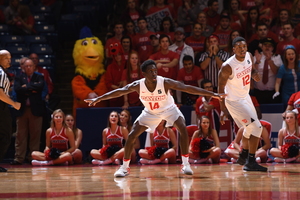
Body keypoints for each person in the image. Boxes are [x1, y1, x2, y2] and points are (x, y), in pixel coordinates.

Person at [85, 59, 224, 177]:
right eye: (150, 71)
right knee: (133, 134)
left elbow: (188, 88)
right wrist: (99, 98)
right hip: (150, 112)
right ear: (144, 74)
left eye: (155, 70)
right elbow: (119, 92)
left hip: (169, 110)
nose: (154, 73)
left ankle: (185, 164)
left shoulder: (164, 82)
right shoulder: (137, 85)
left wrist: (213, 94)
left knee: (182, 127)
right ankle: (125, 167)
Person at [218, 36, 267, 171]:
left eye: (244, 47)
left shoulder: (249, 56)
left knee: (250, 128)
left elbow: (251, 68)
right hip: (234, 101)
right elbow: (220, 89)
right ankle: (250, 161)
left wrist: (255, 73)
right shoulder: (227, 66)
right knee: (257, 128)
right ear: (233, 50)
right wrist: (222, 109)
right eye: (239, 47)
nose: (242, 49)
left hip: (245, 97)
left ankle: (243, 155)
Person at [11, 58, 45, 165]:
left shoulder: (39, 76)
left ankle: (32, 157)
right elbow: (17, 89)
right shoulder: (19, 77)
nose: (28, 68)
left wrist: (26, 87)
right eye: (26, 66)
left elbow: (39, 87)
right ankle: (19, 158)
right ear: (23, 68)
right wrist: (31, 90)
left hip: (36, 109)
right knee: (20, 135)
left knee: (35, 135)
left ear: (34, 67)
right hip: (22, 110)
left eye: (30, 66)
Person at [0, 50, 21, 172]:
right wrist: (14, 104)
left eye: (10, 58)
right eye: (6, 58)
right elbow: (0, 94)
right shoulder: (1, 73)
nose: (9, 60)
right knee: (5, 136)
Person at [253, 37, 283, 104]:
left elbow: (276, 72)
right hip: (258, 91)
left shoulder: (277, 57)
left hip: (272, 92)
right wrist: (257, 62)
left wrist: (270, 61)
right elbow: (253, 73)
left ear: (272, 48)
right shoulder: (256, 56)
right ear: (262, 47)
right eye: (265, 45)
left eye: (269, 46)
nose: (267, 47)